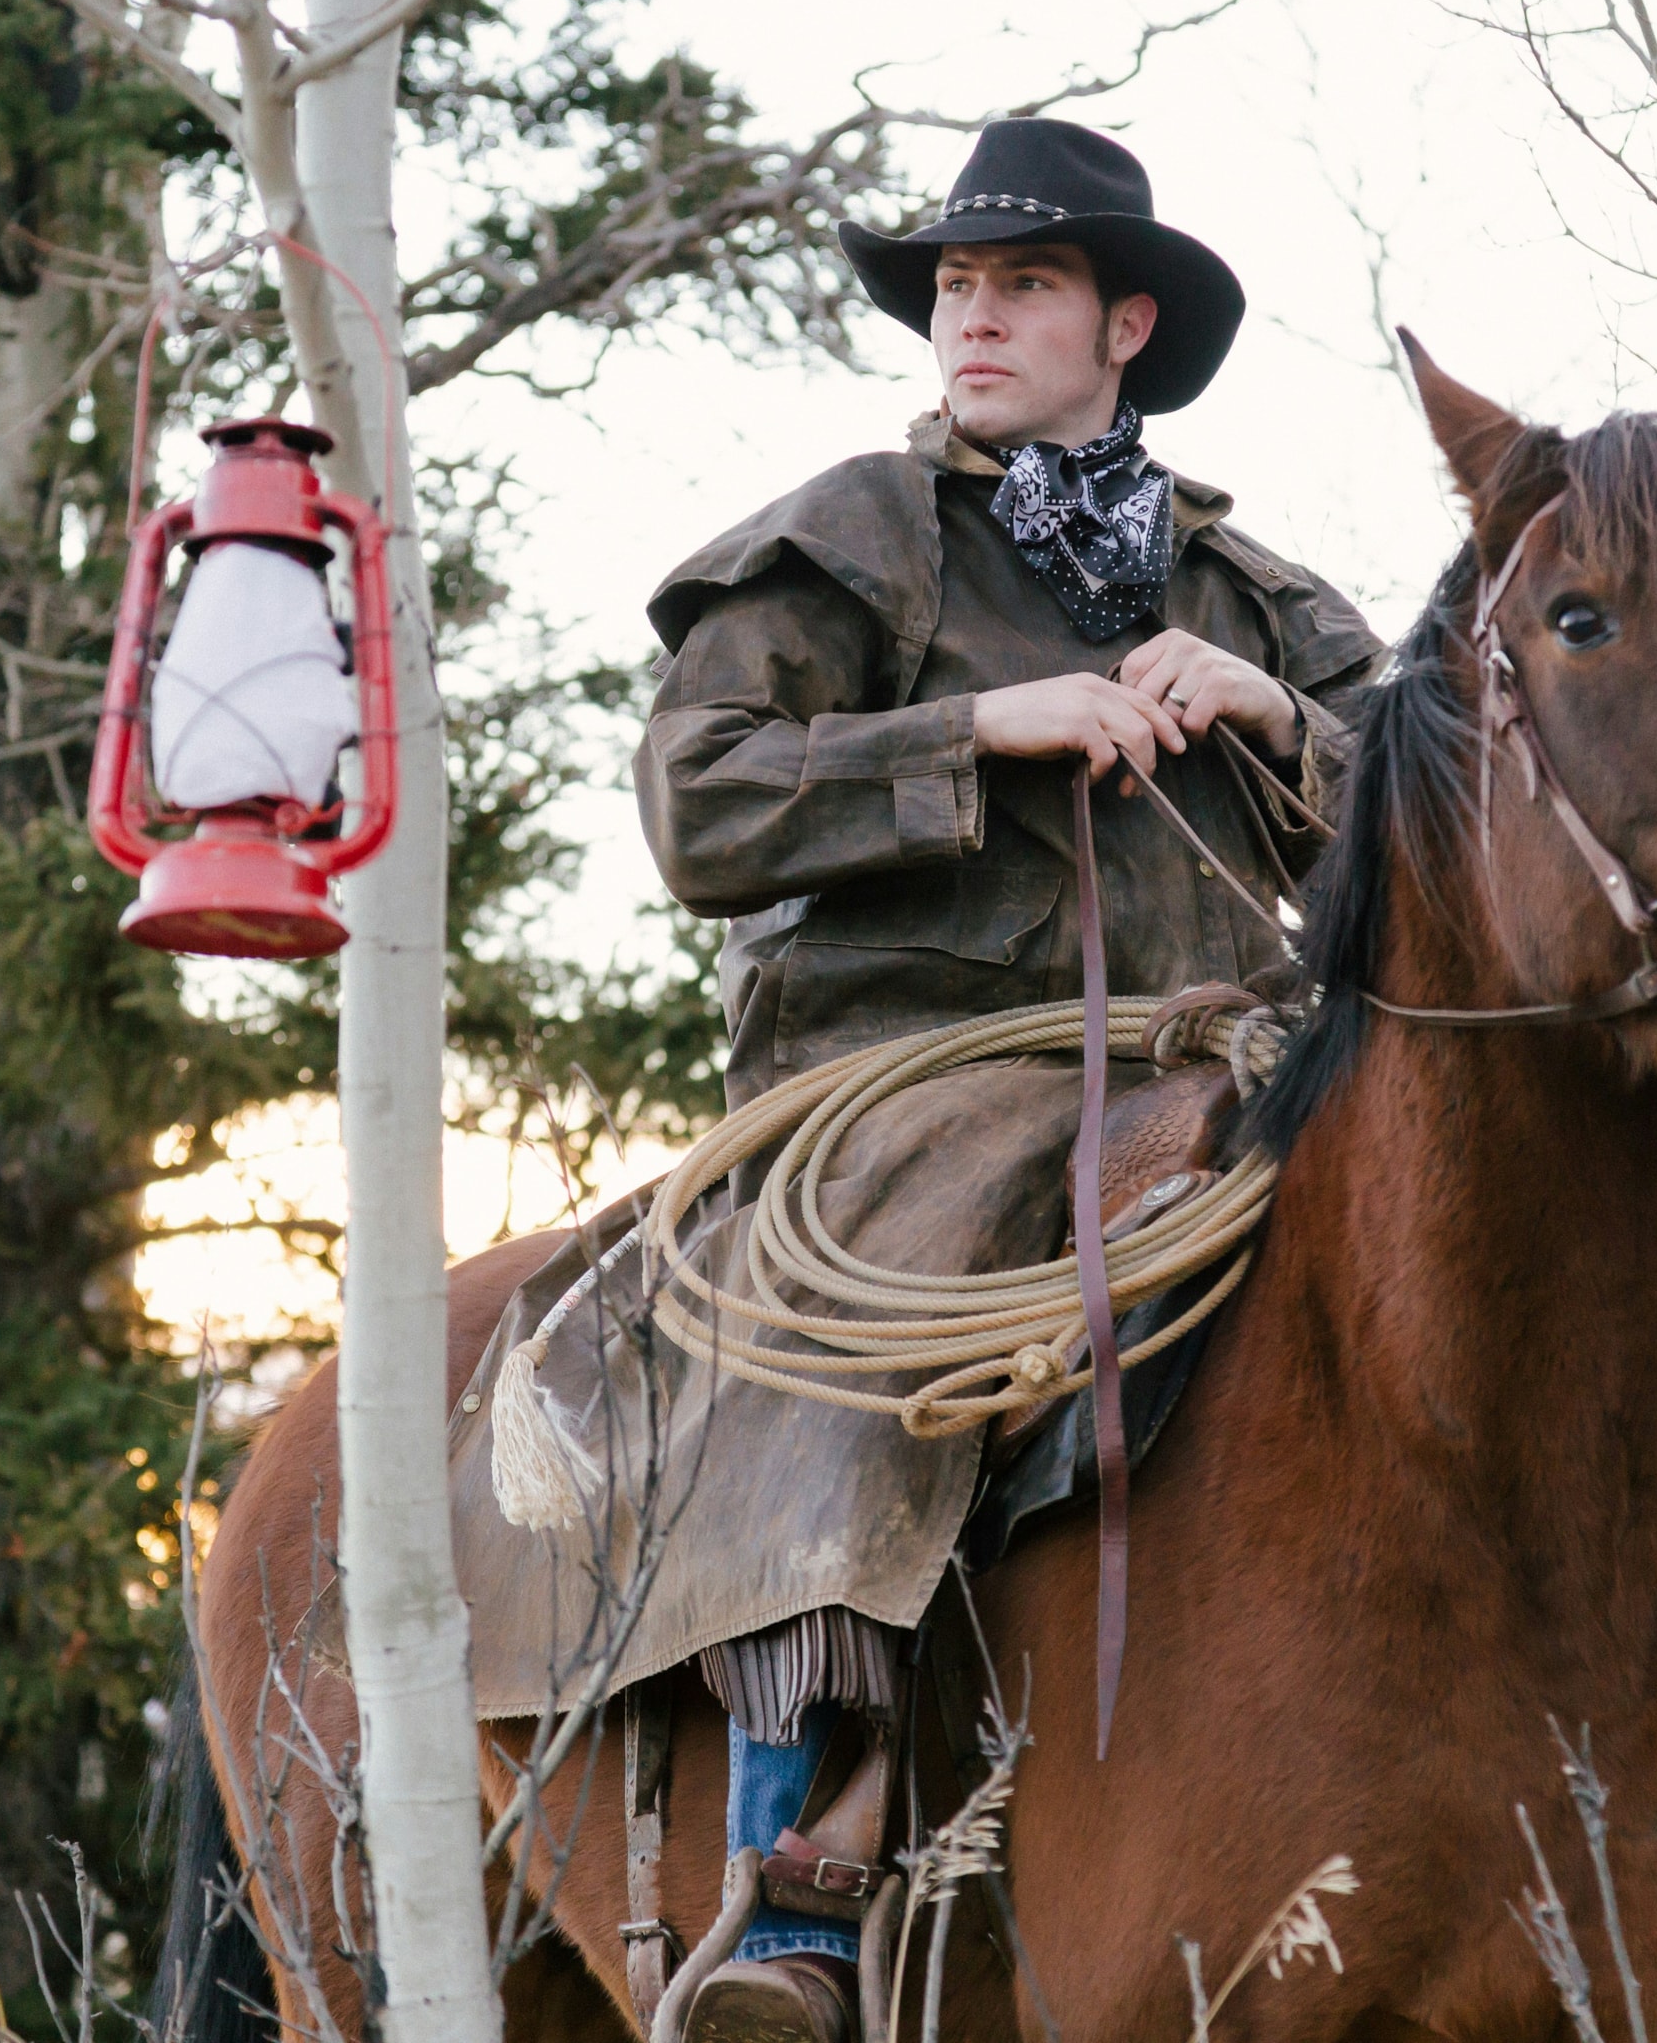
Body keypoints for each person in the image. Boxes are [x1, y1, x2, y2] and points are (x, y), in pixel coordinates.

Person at [631, 116, 1384, 2043]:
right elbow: (698, 801)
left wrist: (1281, 714)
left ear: (1125, 321)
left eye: (1023, 281)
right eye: (956, 284)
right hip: (901, 1084)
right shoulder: (856, 536)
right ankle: (795, 1884)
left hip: (1222, 1077)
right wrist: (984, 723)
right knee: (905, 1311)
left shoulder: (1253, 593)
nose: (972, 314)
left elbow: (1441, 814)